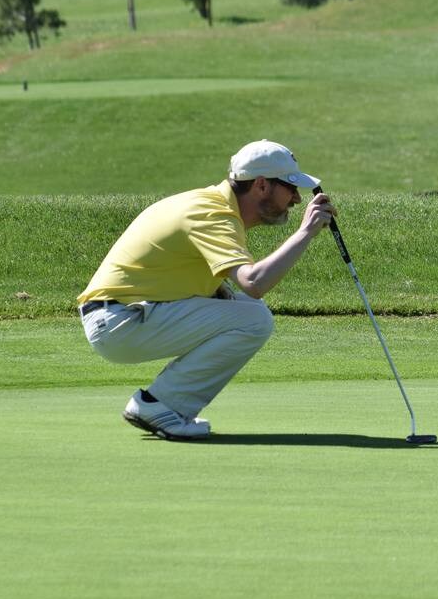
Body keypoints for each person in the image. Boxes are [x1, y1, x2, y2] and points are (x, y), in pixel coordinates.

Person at [77, 139, 337, 440]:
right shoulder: (212, 215)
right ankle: (159, 405)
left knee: (246, 309)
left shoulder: (211, 205)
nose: (296, 199)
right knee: (253, 318)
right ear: (262, 185)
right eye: (290, 187)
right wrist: (305, 233)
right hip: (118, 323)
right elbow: (254, 283)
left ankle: (161, 405)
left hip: (122, 316)